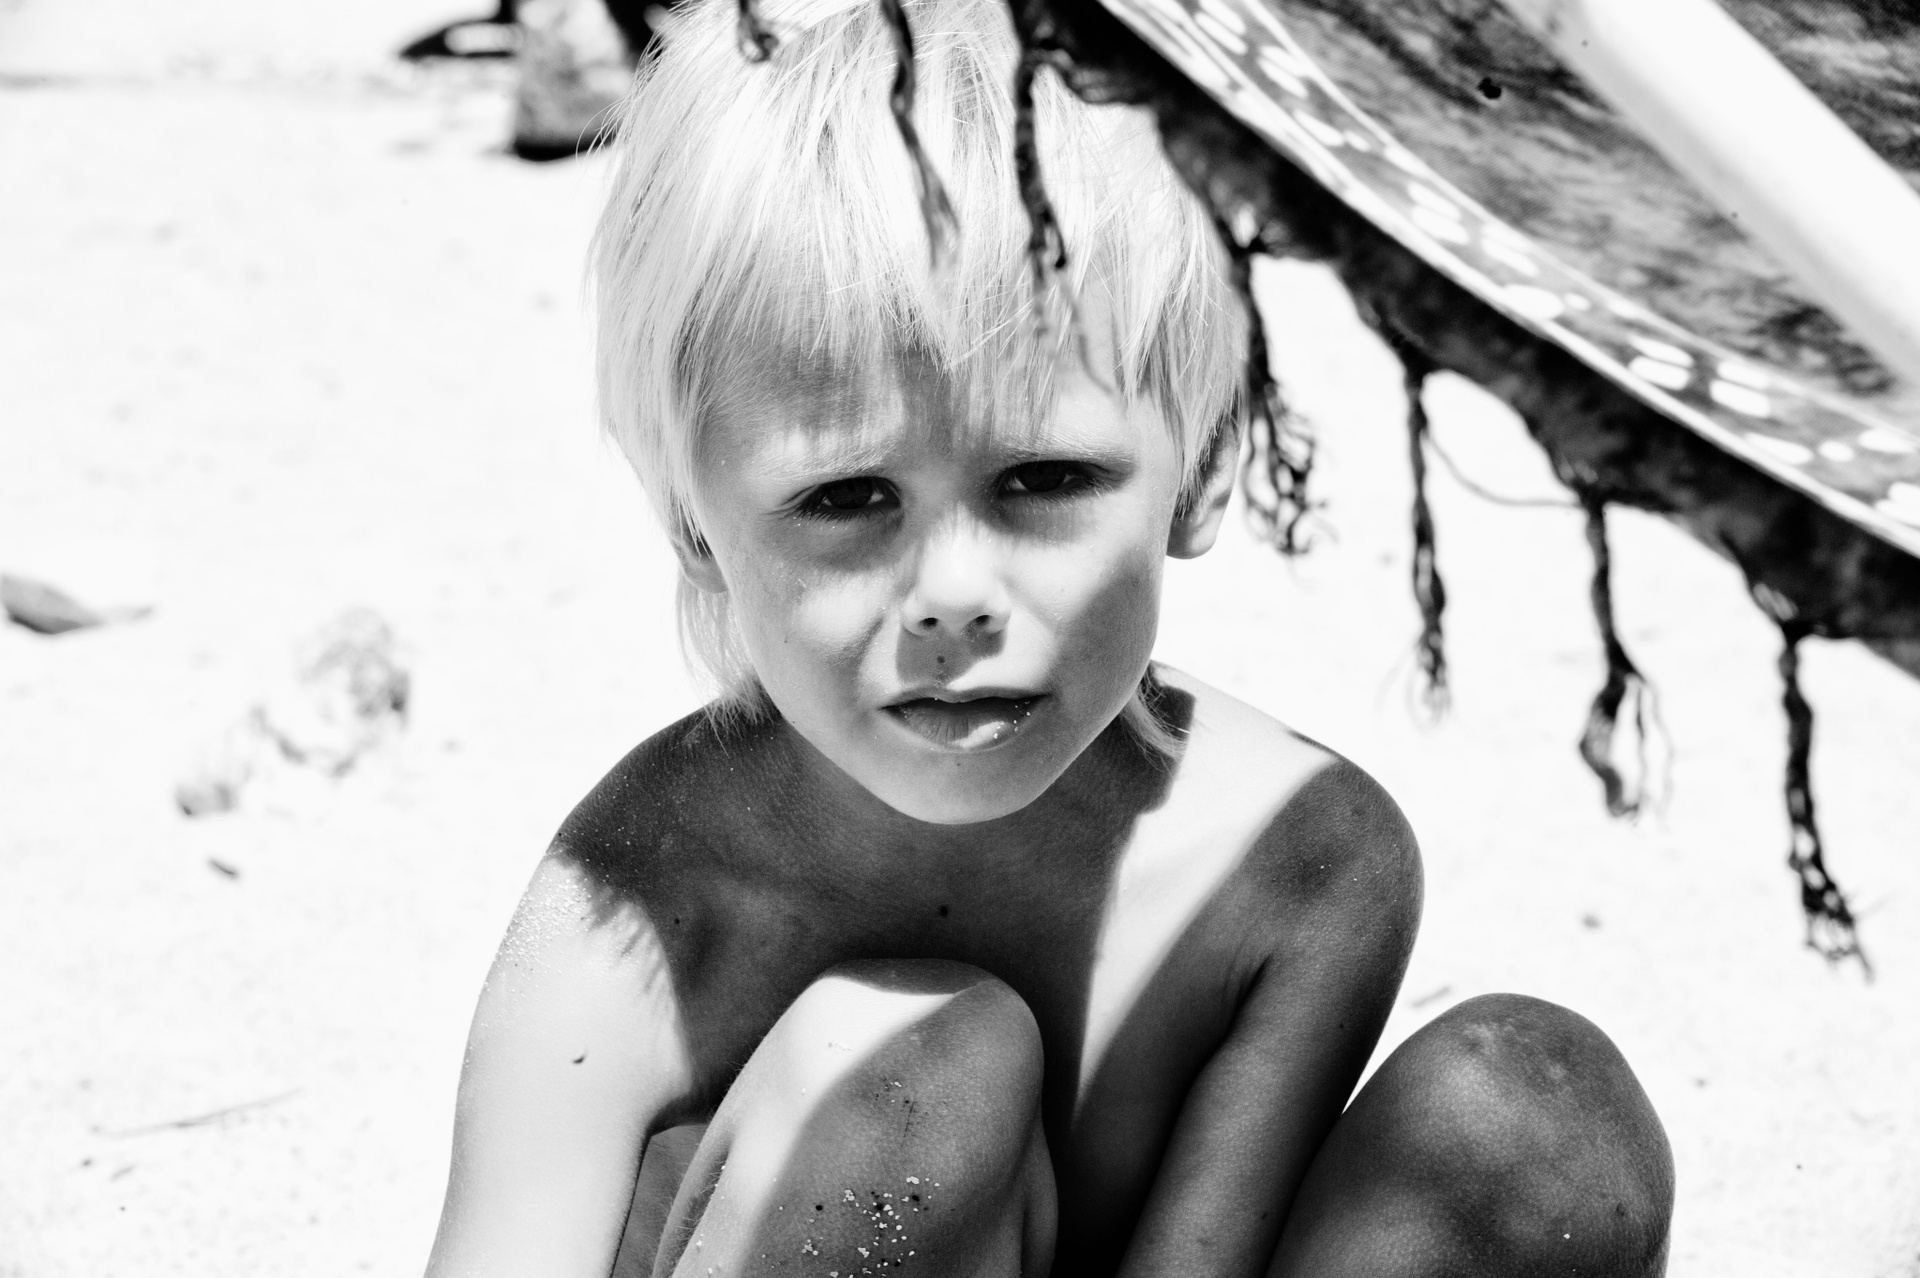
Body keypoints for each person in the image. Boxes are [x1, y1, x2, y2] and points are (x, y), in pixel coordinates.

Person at [424, 0, 1676, 1273]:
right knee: (918, 1068)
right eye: (846, 497)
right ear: (697, 527)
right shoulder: (633, 905)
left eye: (1042, 479)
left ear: (1203, 467)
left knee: (1534, 1109)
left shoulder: (1298, 866)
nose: (951, 595)